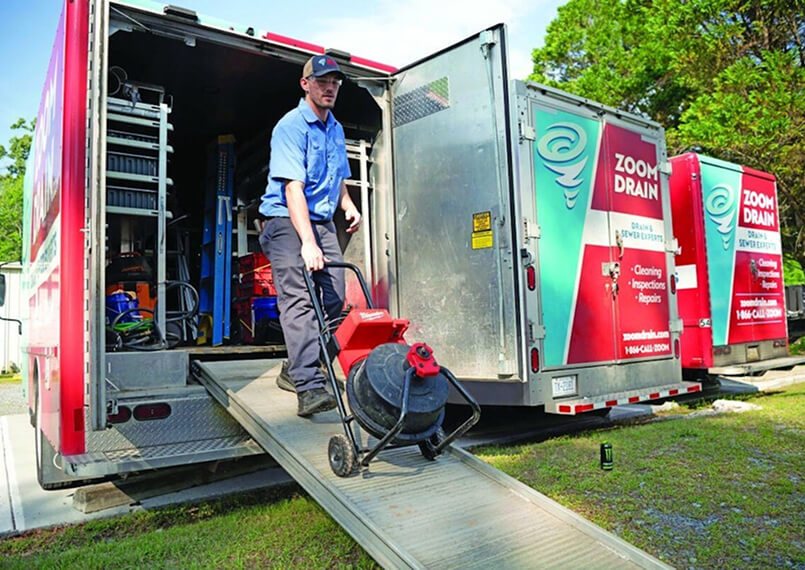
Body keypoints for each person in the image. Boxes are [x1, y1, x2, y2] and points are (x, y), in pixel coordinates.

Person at [259, 55, 361, 417]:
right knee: (300, 300)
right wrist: (307, 242)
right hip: (285, 221)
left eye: (334, 82)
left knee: (334, 300)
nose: (329, 87)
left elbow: (338, 173)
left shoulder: (334, 127)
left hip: (320, 220)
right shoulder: (291, 126)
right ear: (306, 85)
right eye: (322, 81)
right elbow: (292, 189)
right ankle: (309, 385)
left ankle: (295, 367)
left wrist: (346, 203)